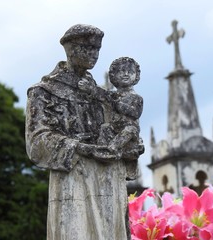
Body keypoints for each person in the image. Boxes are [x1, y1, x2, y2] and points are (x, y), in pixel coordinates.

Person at [25, 24, 142, 240]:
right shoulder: (44, 92)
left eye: (97, 49)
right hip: (73, 177)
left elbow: (119, 129)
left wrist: (130, 147)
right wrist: (82, 148)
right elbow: (37, 141)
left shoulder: (101, 95)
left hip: (109, 179)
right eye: (87, 48)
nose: (94, 55)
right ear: (70, 49)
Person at [98, 57, 143, 159]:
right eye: (122, 71)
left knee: (130, 129)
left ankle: (112, 148)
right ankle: (101, 149)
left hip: (130, 135)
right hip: (114, 129)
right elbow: (101, 95)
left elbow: (135, 113)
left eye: (130, 71)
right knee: (105, 128)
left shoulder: (137, 98)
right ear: (113, 75)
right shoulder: (112, 96)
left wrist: (117, 104)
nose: (126, 74)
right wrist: (90, 89)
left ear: (136, 76)